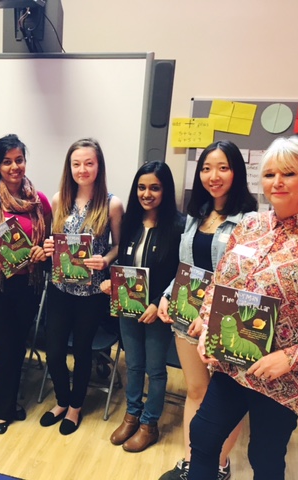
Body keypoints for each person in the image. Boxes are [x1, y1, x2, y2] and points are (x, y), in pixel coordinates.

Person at [188, 137, 298, 480]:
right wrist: (207, 325)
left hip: (284, 380)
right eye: (268, 174)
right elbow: (220, 286)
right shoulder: (250, 225)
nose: (276, 182)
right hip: (232, 364)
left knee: (264, 458)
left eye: (288, 174)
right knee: (203, 437)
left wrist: (289, 359)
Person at [157, 141, 257, 480]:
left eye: (222, 168)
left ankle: (218, 466)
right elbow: (185, 265)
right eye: (206, 168)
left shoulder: (250, 222)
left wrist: (211, 313)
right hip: (187, 317)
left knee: (225, 402)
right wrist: (167, 296)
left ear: (236, 172)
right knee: (196, 391)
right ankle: (191, 462)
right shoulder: (195, 215)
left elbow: (248, 280)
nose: (213, 176)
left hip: (225, 322)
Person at [39, 138, 124, 435]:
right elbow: (53, 242)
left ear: (98, 166)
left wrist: (106, 260)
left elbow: (118, 246)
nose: (82, 169)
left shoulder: (112, 203)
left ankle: (75, 406)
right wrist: (49, 246)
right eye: (76, 164)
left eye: (89, 163)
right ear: (69, 167)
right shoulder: (58, 199)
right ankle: (62, 399)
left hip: (91, 292)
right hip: (60, 289)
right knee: (54, 350)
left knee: (83, 350)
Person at [0, 134, 52, 434]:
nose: (14, 167)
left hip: (28, 284)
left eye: (19, 160)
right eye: (7, 162)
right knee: (3, 347)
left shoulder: (39, 201)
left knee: (18, 345)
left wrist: (41, 250)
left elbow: (47, 242)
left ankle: (9, 401)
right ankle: (0, 411)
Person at [100, 161, 184, 450]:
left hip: (158, 311)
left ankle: (150, 423)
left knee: (156, 369)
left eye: (154, 188)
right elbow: (124, 264)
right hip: (128, 307)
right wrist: (111, 282)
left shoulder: (179, 226)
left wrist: (160, 302)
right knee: (133, 365)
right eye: (141, 187)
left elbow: (180, 272)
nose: (147, 193)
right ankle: (132, 415)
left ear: (165, 190)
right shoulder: (130, 222)